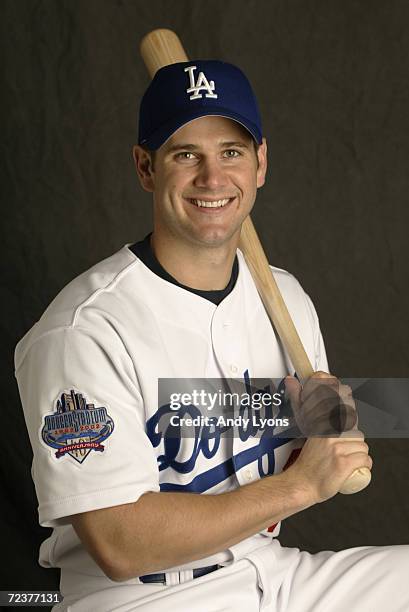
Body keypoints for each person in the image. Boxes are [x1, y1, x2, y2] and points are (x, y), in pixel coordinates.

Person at [14, 60, 408, 612]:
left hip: (269, 572)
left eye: (231, 152)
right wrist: (301, 486)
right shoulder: (83, 330)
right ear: (145, 168)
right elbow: (120, 543)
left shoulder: (287, 299)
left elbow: (302, 461)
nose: (213, 179)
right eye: (185, 155)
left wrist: (323, 429)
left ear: (260, 163)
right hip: (139, 597)